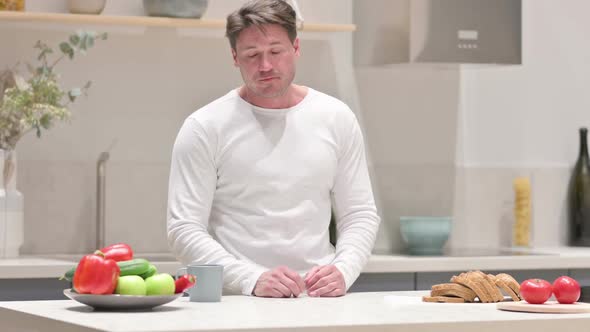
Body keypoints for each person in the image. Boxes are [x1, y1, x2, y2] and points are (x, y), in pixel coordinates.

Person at [167, 0, 380, 298]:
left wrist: (344, 269)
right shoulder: (204, 127)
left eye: (276, 52)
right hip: (236, 303)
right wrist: (251, 279)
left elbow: (360, 214)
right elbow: (184, 229)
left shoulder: (336, 117)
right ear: (234, 57)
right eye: (252, 55)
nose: (265, 66)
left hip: (318, 302)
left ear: (296, 48)